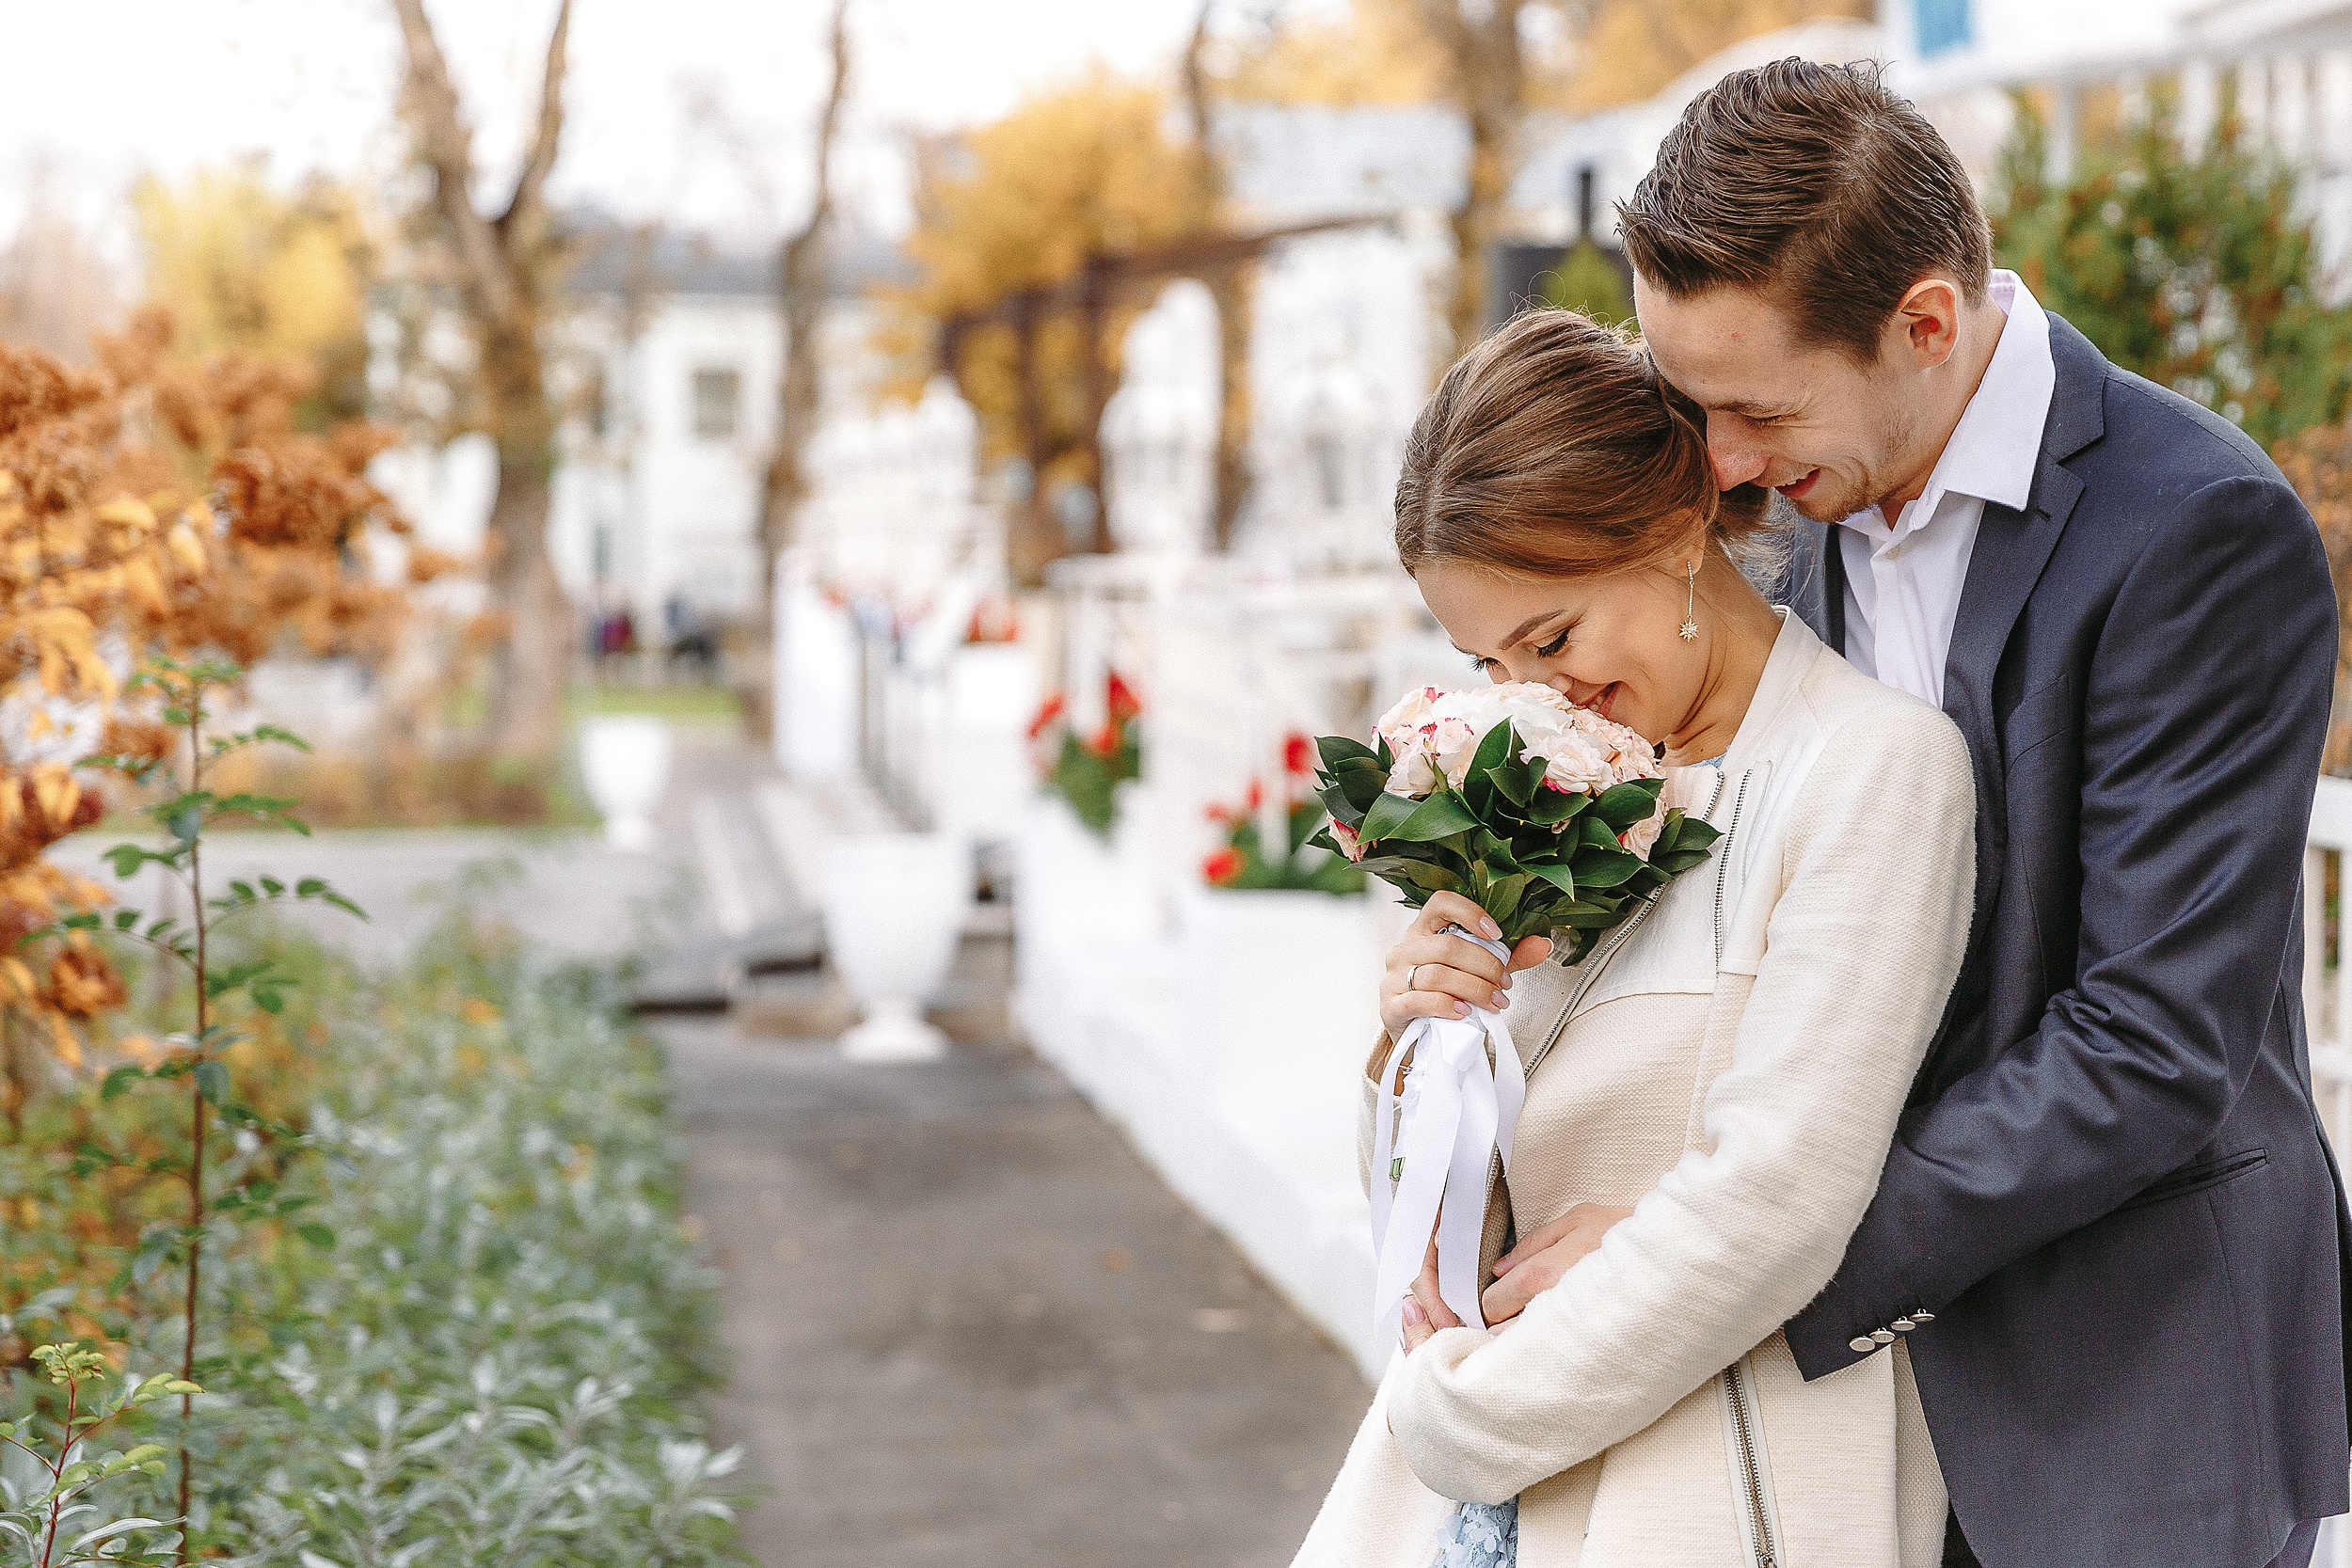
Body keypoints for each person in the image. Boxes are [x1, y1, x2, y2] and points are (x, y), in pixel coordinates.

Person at [1562, 57, 2344, 1568]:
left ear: (1925, 322)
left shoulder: (2198, 531)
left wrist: (1728, 1256)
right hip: (1839, 1438)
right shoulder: (1793, 514)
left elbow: (2151, 1042)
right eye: (1692, 405)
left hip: (2128, 1389)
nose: (1719, 468)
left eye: (1753, 409)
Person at [1294, 308, 1978, 1565]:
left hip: (1705, 1491)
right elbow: (1447, 1240)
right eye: (1490, 659)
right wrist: (1418, 1051)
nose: (1532, 695)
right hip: (1484, 1504)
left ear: (1672, 538)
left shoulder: (1870, 773)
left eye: (1551, 637)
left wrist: (1456, 1419)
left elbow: (1778, 1196)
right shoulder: (1551, 800)